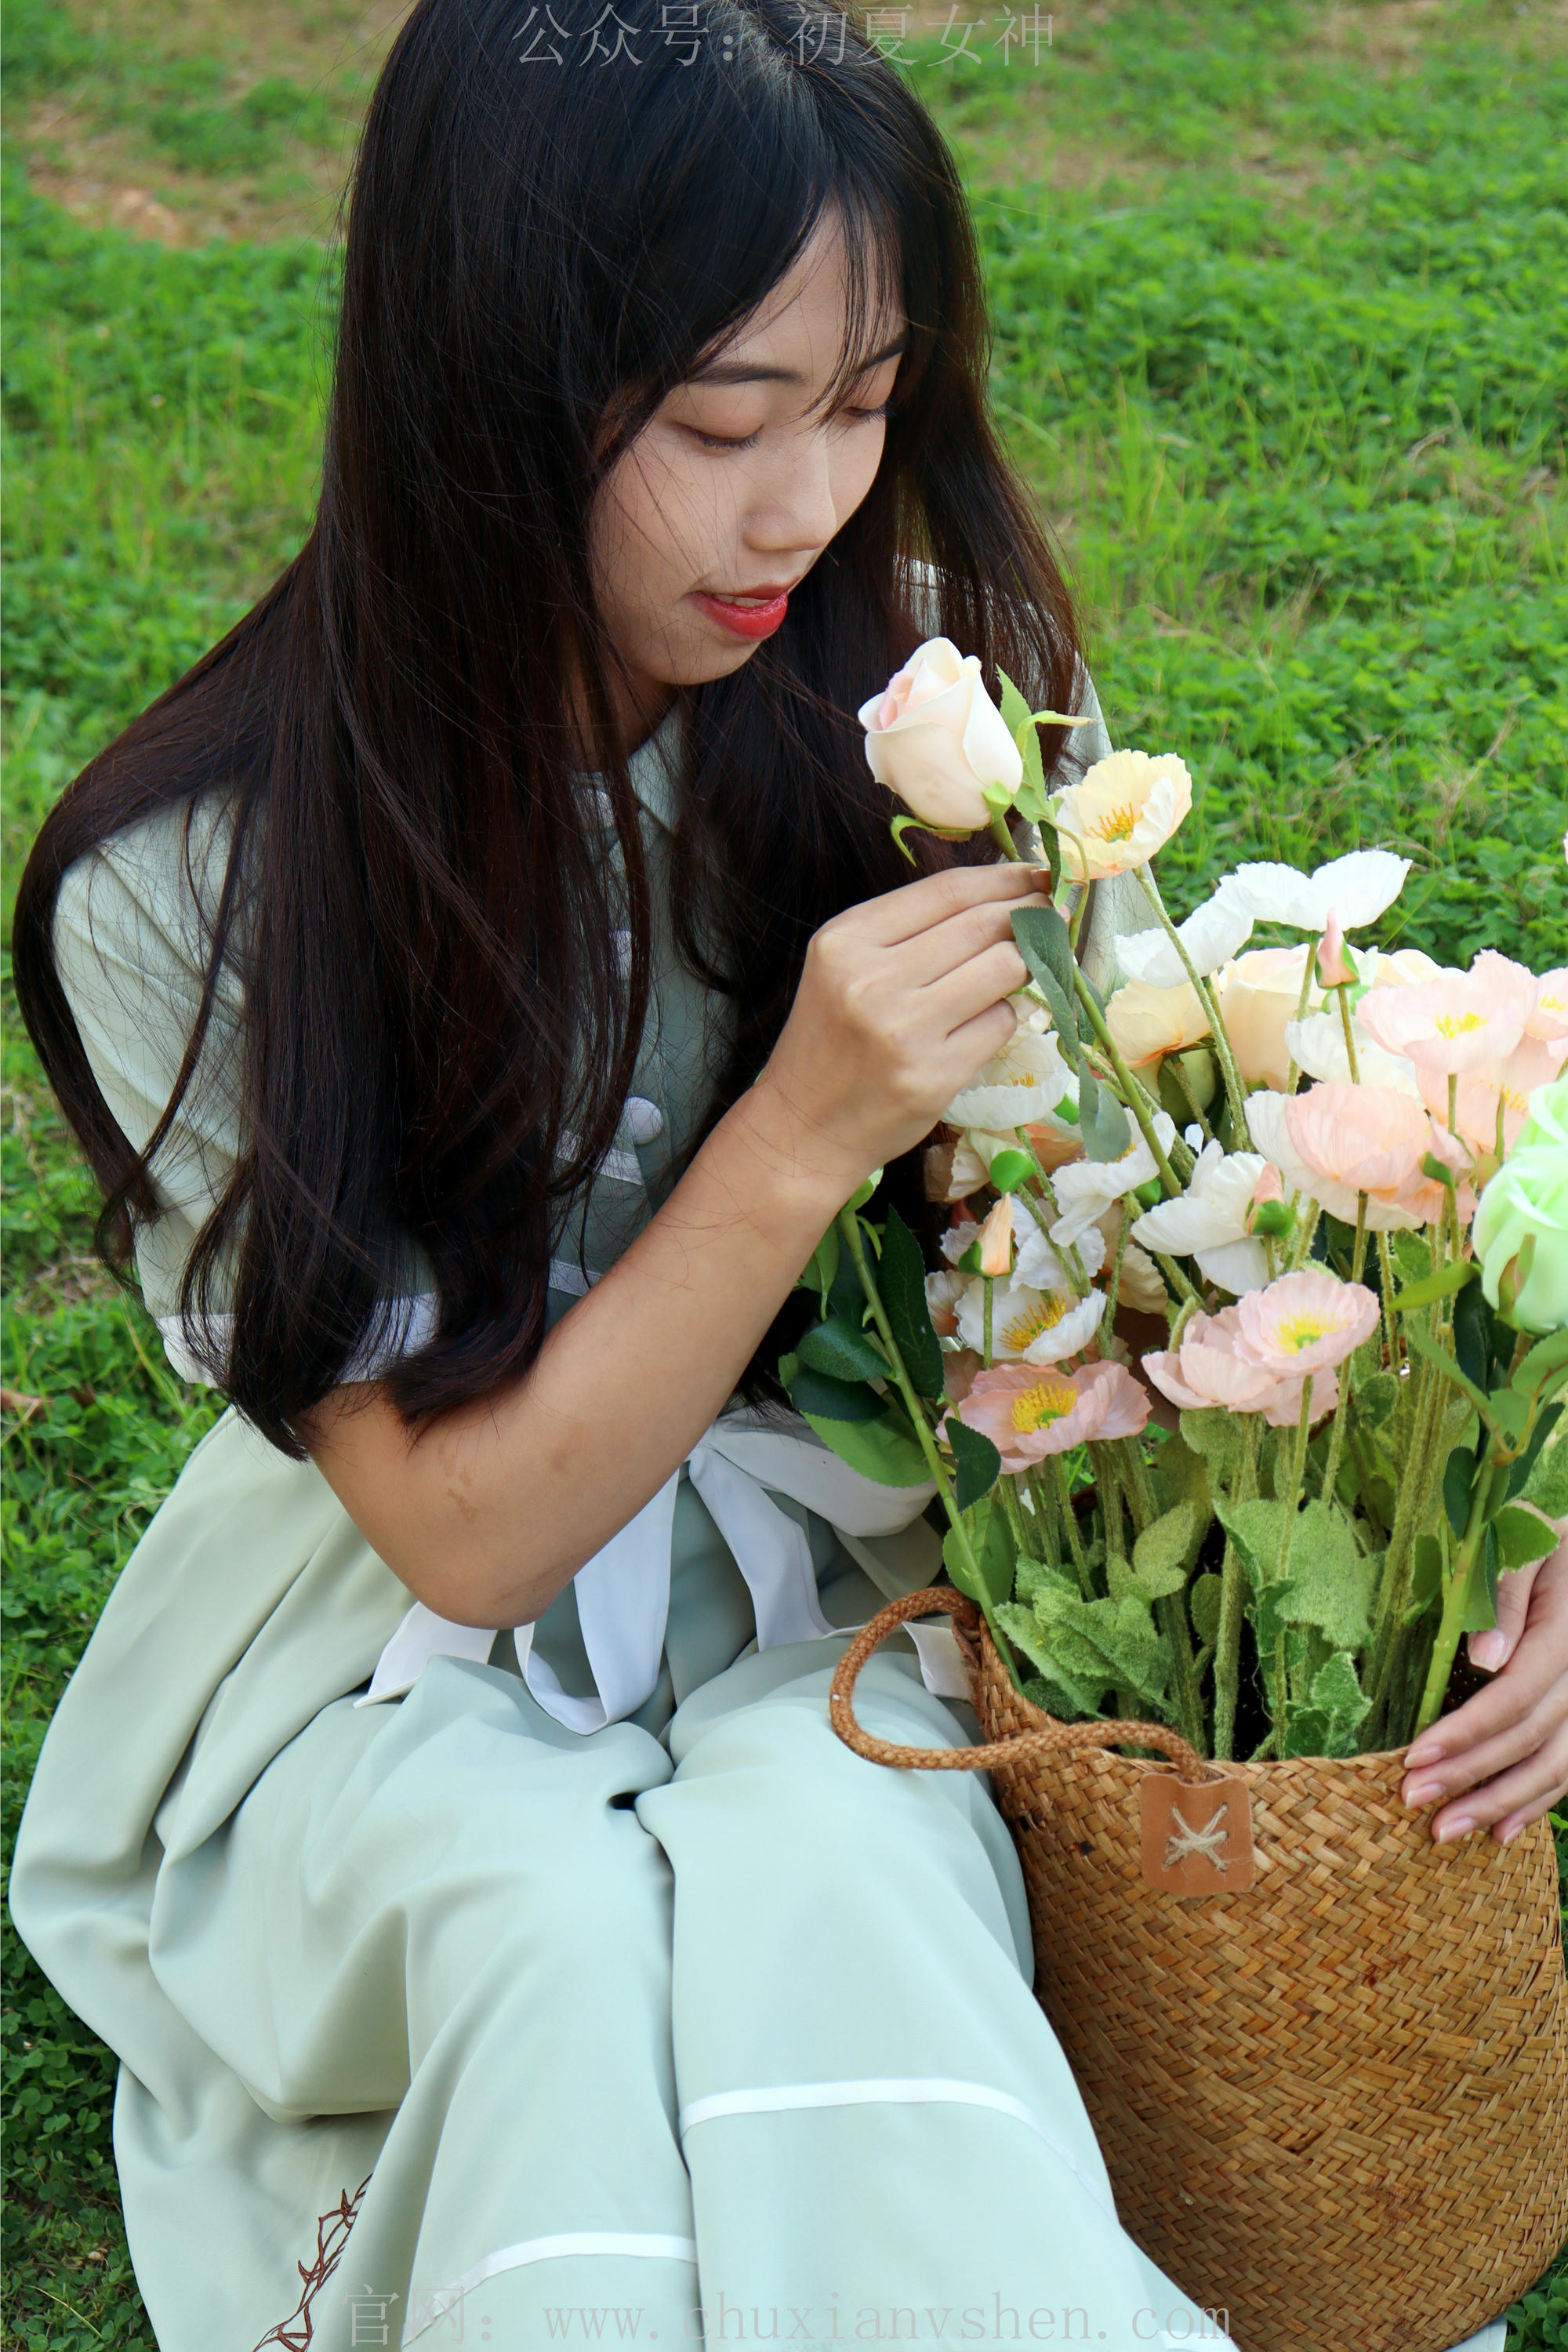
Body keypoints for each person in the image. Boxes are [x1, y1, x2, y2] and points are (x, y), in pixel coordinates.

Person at [9, 4, 1563, 2347]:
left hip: (861, 1570)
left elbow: (1173, 1219)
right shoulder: (189, 884)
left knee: (839, 1846)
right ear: (479, 384)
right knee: (535, 1910)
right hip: (391, 1650)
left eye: (866, 406)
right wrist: (809, 1121)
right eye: (729, 422)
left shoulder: (936, 705)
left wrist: (1508, 1530)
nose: (808, 508)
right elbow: (469, 1530)